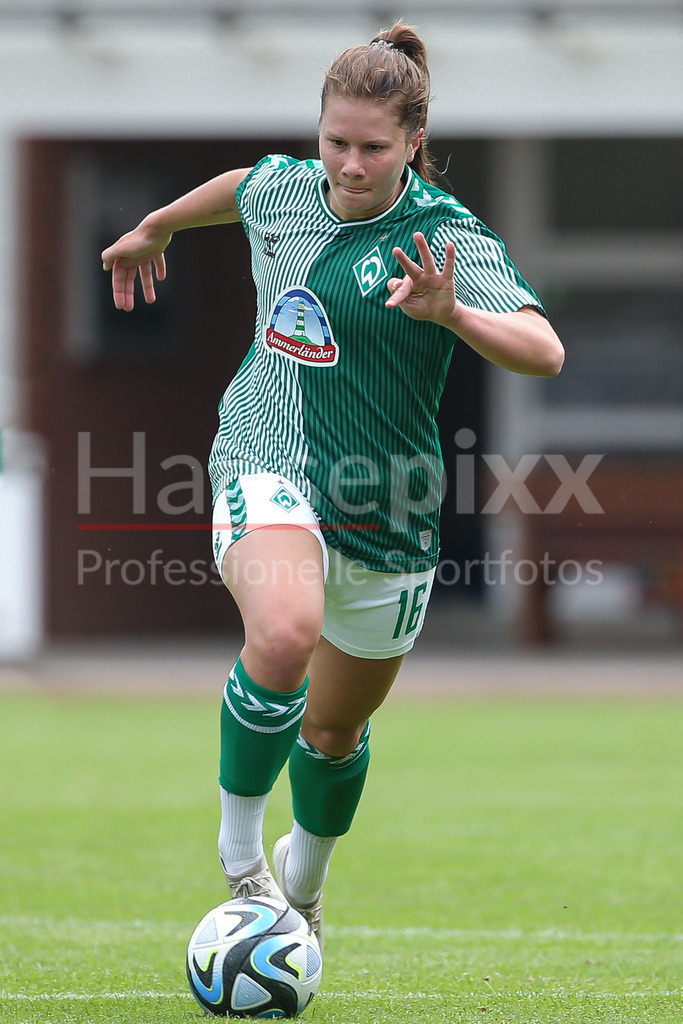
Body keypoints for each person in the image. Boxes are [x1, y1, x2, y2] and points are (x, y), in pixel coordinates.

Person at [101, 22, 564, 945]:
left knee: (332, 736)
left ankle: (300, 890)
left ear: (413, 145)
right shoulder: (287, 188)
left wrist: (453, 310)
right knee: (283, 633)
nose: (348, 165)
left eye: (372, 148)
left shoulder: (443, 235)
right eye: (334, 141)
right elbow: (240, 189)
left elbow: (543, 353)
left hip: (389, 513)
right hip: (265, 457)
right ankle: (241, 866)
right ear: (317, 132)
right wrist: (154, 227)